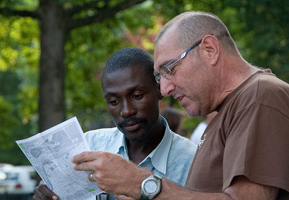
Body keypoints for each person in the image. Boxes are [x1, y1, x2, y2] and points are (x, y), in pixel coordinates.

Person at [71, 11, 289, 200]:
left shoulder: (260, 96)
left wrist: (140, 184)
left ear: (209, 50)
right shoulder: (232, 108)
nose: (164, 89)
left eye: (169, 69)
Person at [33, 47, 197, 200]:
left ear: (159, 89)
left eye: (137, 96)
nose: (126, 111)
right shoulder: (86, 147)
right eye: (113, 101)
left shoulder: (193, 162)